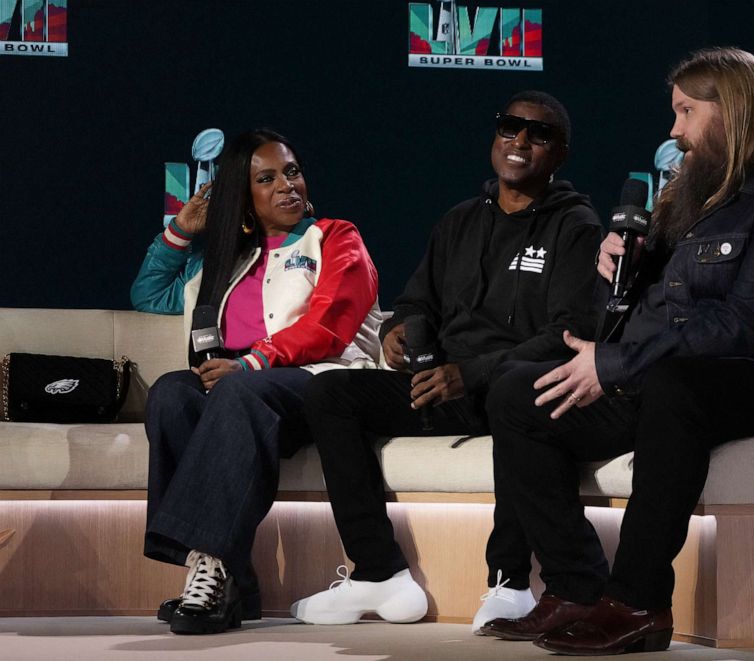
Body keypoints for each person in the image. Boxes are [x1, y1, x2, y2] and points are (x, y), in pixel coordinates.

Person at [478, 47, 754, 655]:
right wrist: (617, 269)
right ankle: (577, 589)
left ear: (732, 111)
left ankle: (637, 600)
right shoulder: (701, 191)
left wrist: (618, 364)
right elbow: (658, 305)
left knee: (678, 385)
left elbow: (749, 324)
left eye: (685, 112)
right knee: (518, 393)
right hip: (675, 372)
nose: (674, 131)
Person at [289, 91, 603, 628]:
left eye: (539, 134)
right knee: (330, 393)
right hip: (442, 386)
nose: (520, 141)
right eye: (510, 127)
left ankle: (508, 582)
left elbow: (566, 335)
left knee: (515, 398)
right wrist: (395, 332)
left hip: (512, 388)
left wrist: (472, 374)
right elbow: (416, 303)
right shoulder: (459, 221)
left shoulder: (576, 227)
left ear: (561, 154)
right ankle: (377, 571)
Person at [131, 128, 382, 635]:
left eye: (292, 171)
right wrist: (181, 229)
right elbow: (148, 292)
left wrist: (251, 364)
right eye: (266, 179)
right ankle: (229, 580)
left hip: (321, 387)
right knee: (172, 393)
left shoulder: (334, 237)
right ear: (244, 201)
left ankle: (210, 567)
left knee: (237, 388)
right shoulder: (220, 262)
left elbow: (329, 323)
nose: (288, 185)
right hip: (242, 396)